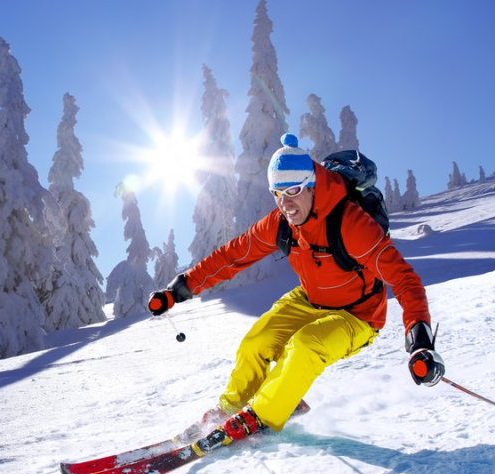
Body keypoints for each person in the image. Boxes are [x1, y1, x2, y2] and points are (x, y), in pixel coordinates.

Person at [148, 133, 444, 444]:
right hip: (310, 299)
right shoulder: (281, 223)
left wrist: (420, 340)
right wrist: (178, 289)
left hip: (358, 314)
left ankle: (261, 416)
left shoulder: (351, 224)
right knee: (256, 341)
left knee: (305, 345)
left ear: (313, 184)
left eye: (293, 191)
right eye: (277, 194)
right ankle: (229, 410)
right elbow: (233, 255)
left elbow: (404, 279)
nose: (286, 204)